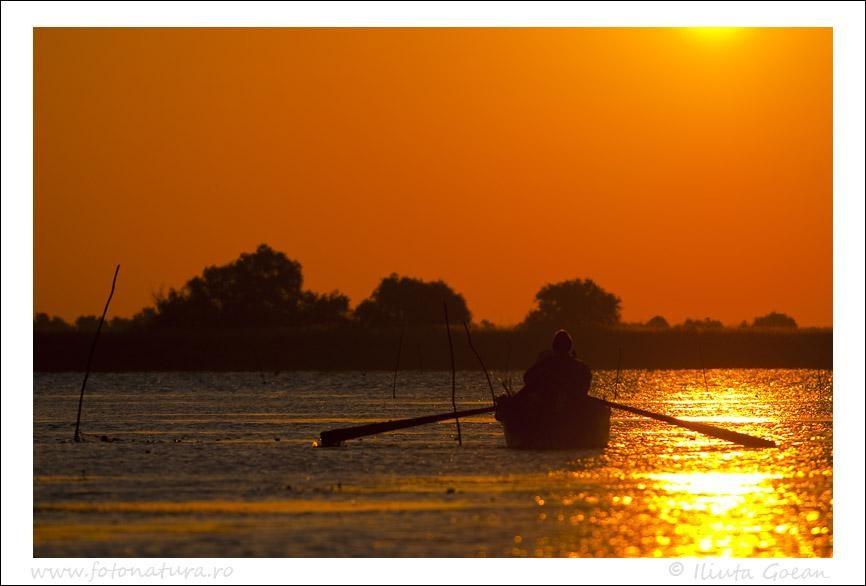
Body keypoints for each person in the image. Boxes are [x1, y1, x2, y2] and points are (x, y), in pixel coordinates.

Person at [497, 330, 592, 418]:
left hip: (558, 404)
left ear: (554, 347)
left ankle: (512, 403)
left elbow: (527, 378)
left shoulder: (547, 362)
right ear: (569, 347)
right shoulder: (581, 366)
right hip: (568, 405)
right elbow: (586, 387)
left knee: (536, 383)